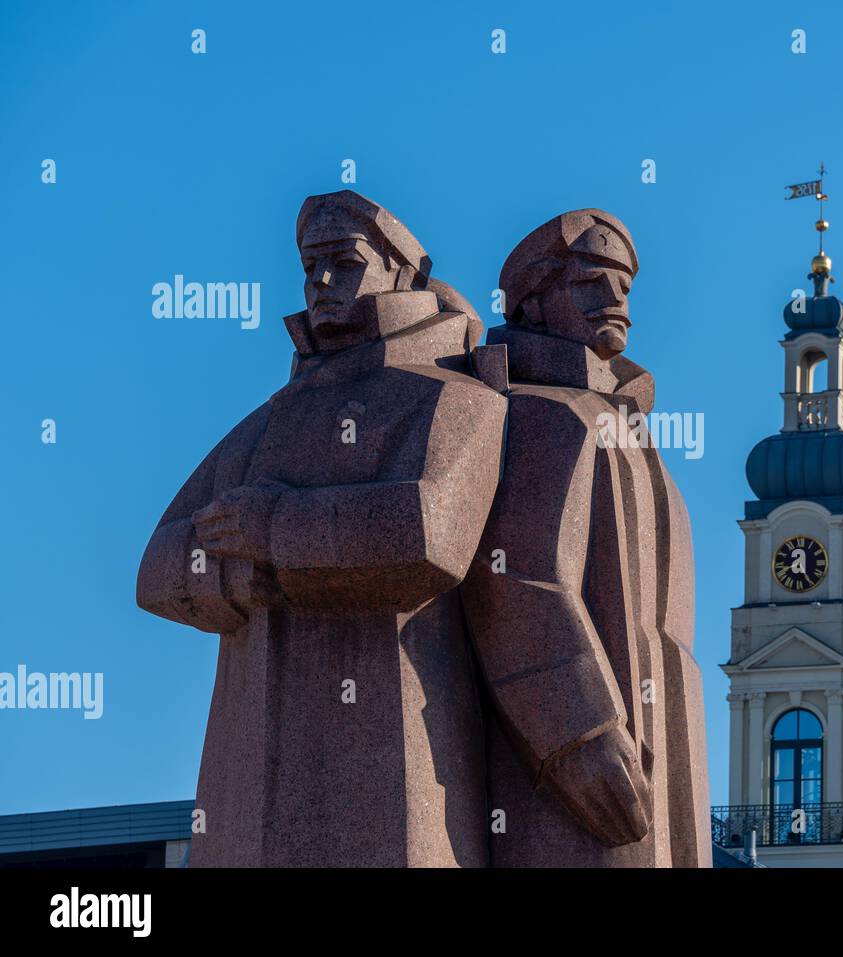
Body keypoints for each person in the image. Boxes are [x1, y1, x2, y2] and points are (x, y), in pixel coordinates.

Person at [137, 190, 505, 866]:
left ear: (406, 273)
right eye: (310, 267)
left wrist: (276, 528)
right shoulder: (268, 420)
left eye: (345, 262)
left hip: (399, 764)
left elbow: (428, 535)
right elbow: (157, 564)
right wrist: (250, 565)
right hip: (249, 783)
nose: (322, 283)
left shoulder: (456, 400)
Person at [461, 209, 711, 866]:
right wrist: (583, 735)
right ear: (536, 302)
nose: (617, 301)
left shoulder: (631, 430)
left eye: (625, 286)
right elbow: (516, 578)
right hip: (588, 785)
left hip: (660, 777)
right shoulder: (544, 414)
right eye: (594, 282)